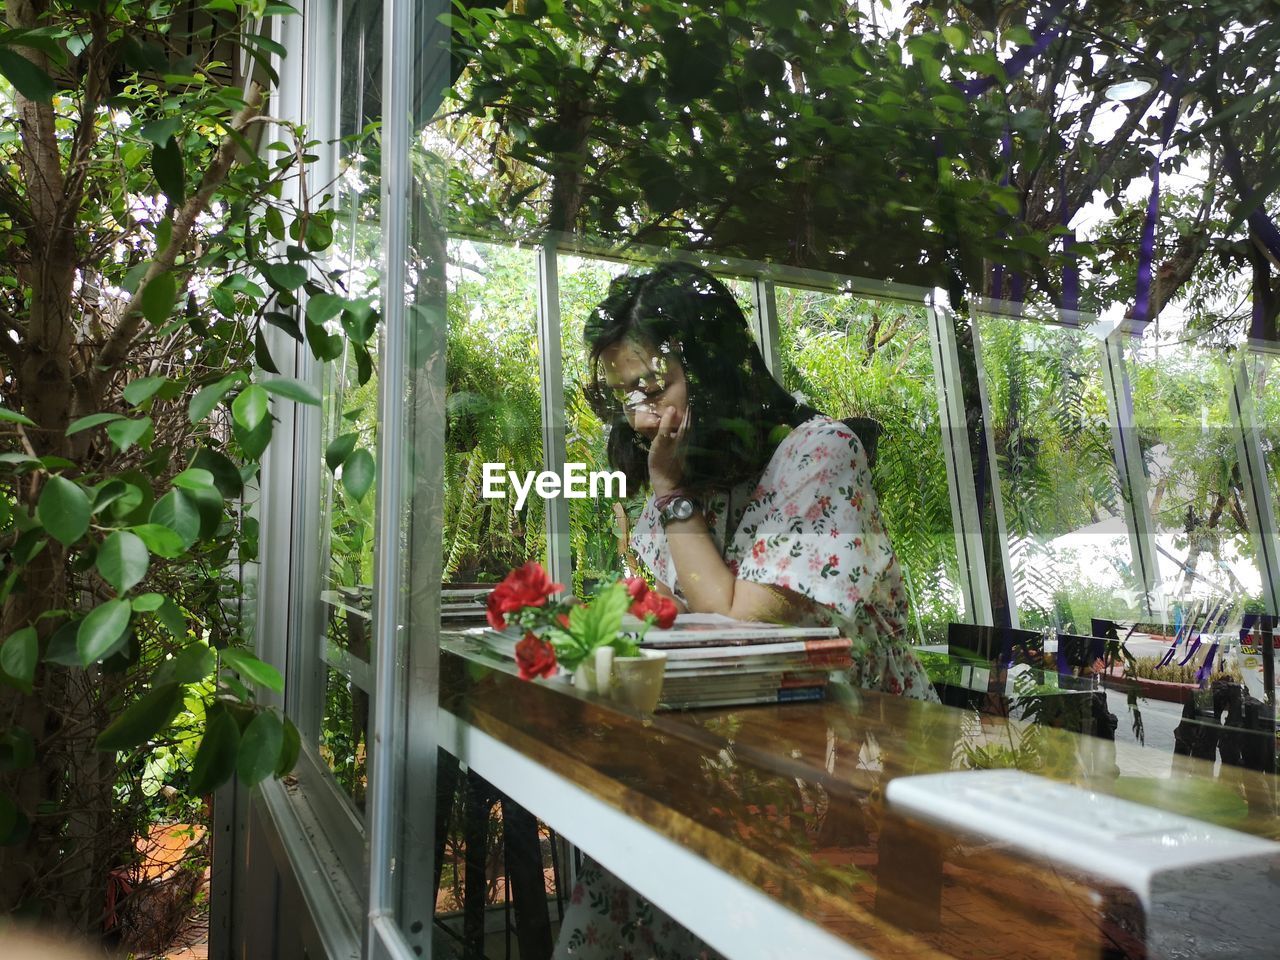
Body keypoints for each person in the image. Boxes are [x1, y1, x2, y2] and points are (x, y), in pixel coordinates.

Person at [551, 264, 937, 959]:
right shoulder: (684, 483)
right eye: (622, 397)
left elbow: (741, 627)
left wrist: (669, 495)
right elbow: (662, 622)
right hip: (729, 774)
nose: (639, 418)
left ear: (712, 368)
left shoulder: (819, 455)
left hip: (849, 786)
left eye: (651, 388)